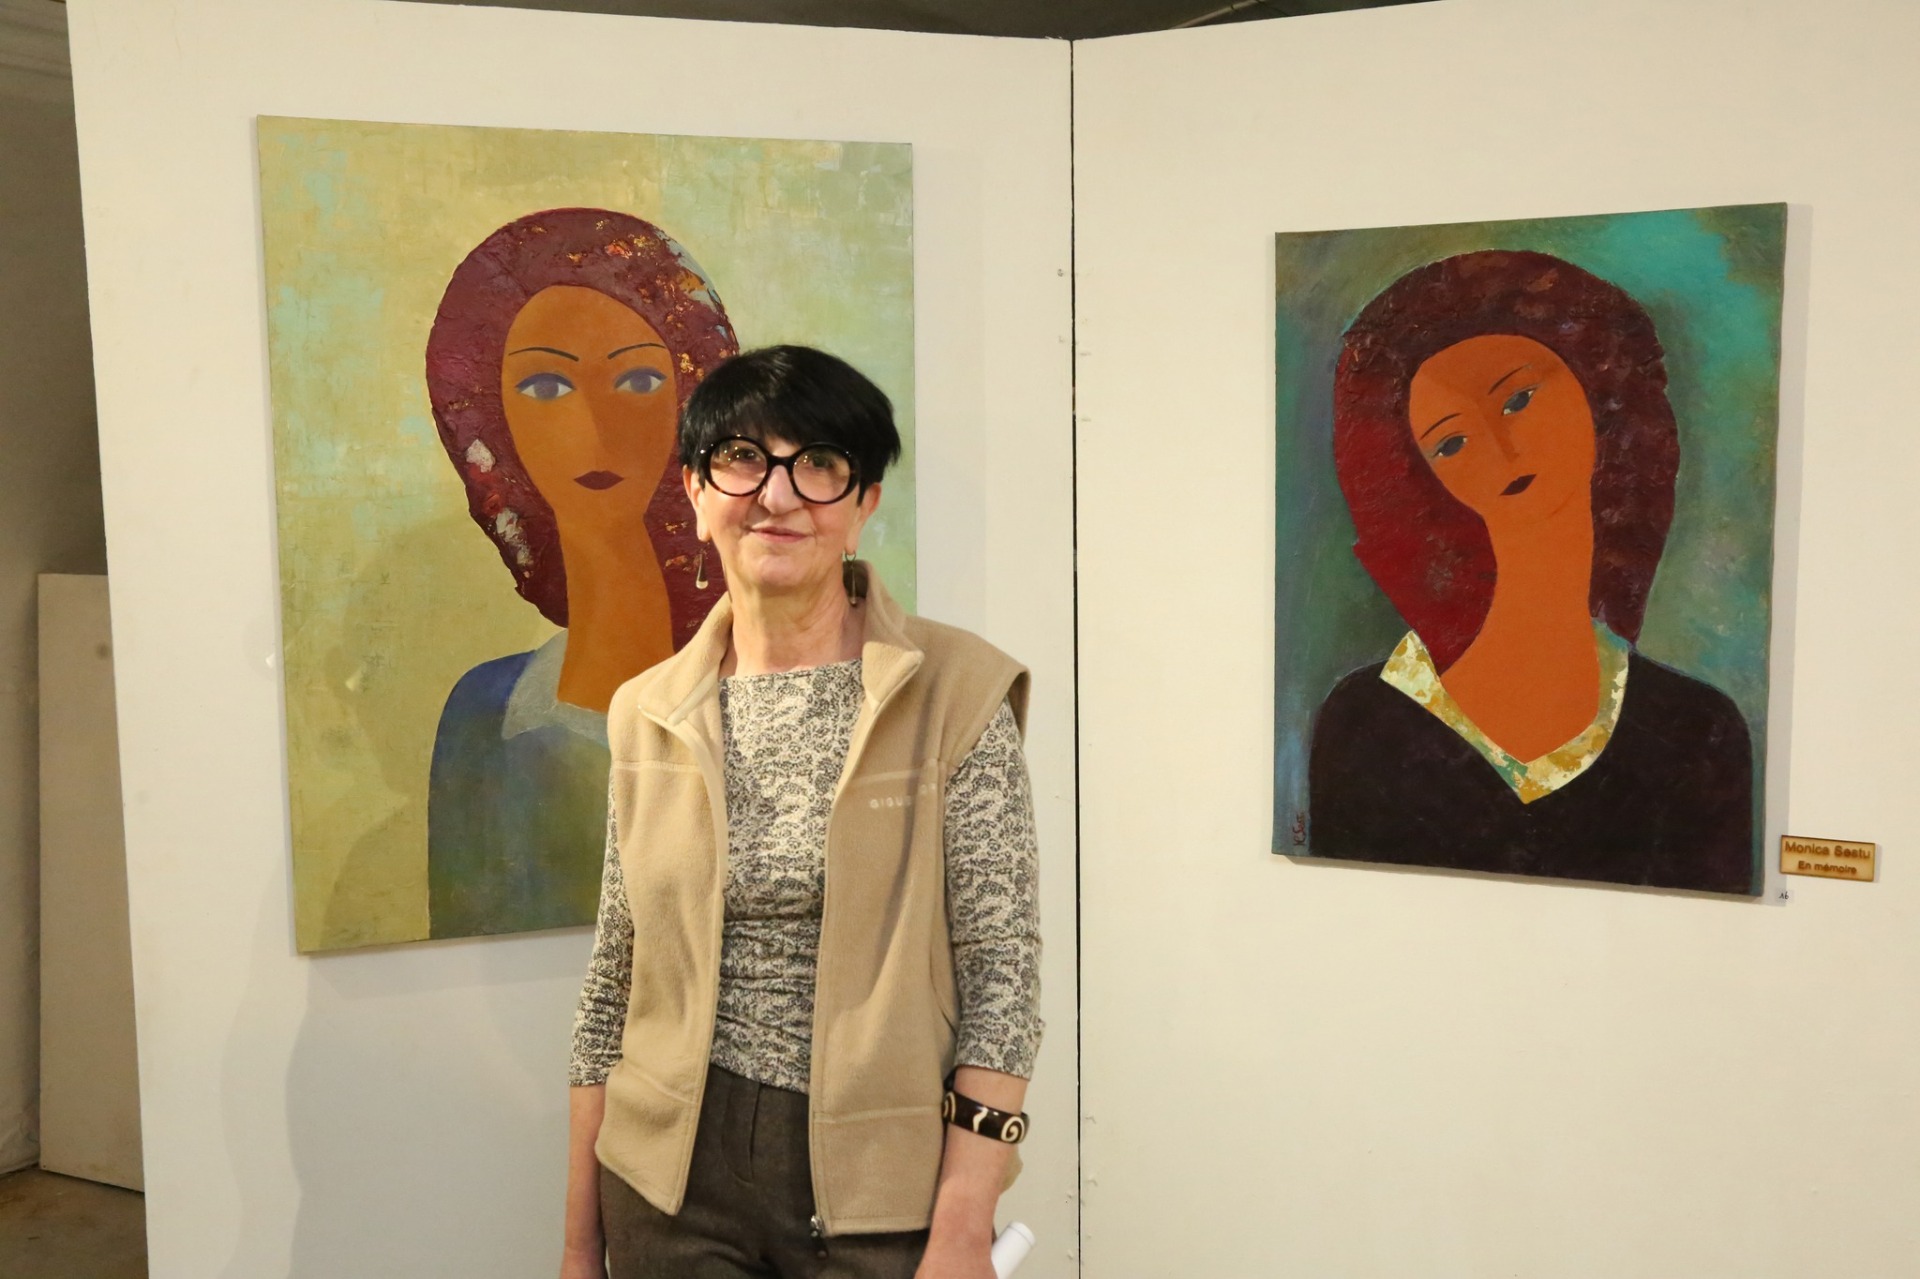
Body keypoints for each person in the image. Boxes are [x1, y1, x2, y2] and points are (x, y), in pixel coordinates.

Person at [561, 345, 1043, 1279]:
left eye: (819, 464)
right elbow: (612, 982)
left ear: (863, 504)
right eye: (743, 458)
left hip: (881, 1193)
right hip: (667, 1186)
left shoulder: (957, 690)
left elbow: (1003, 975)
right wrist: (581, 1249)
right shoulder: (647, 709)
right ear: (696, 491)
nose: (777, 495)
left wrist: (962, 1225)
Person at [1309, 250, 1756, 894]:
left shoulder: (1695, 729)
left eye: (1517, 399)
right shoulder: (1366, 723)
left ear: (1598, 389)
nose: (1500, 448)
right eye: (1451, 442)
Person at [423, 208, 739, 938]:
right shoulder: (484, 713)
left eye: (637, 378)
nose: (597, 424)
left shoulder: (762, 688)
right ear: (493, 418)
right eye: (546, 387)